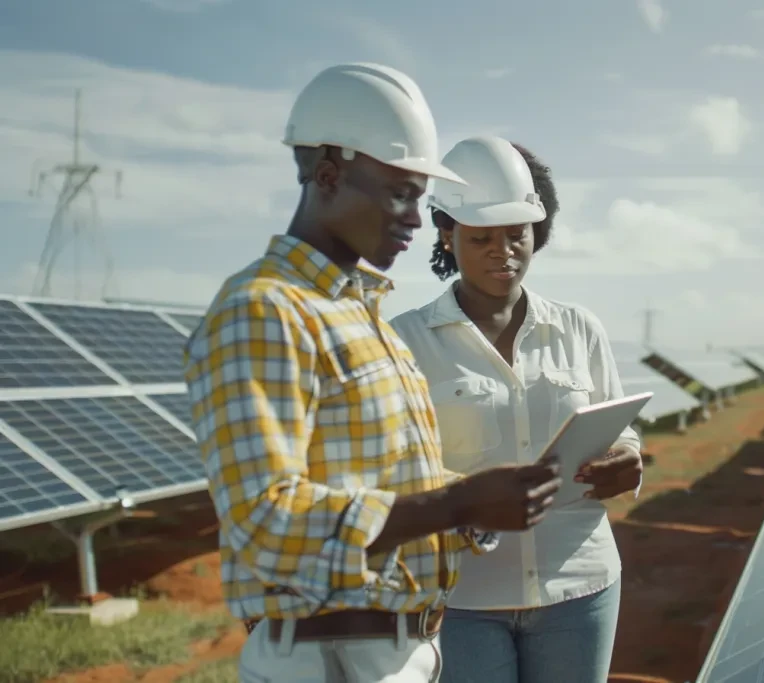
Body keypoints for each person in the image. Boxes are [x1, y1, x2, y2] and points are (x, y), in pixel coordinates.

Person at [183, 66, 562, 683]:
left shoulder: (363, 317)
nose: (417, 218)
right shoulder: (264, 310)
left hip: (394, 653)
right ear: (329, 173)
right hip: (323, 661)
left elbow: (385, 478)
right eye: (401, 193)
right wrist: (455, 501)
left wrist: (473, 503)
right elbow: (265, 522)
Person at [388, 135, 644, 683]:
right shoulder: (404, 341)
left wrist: (626, 460)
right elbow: (389, 472)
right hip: (462, 600)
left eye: (516, 235)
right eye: (482, 238)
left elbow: (622, 430)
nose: (502, 252)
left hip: (581, 586)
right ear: (448, 233)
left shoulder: (579, 329)